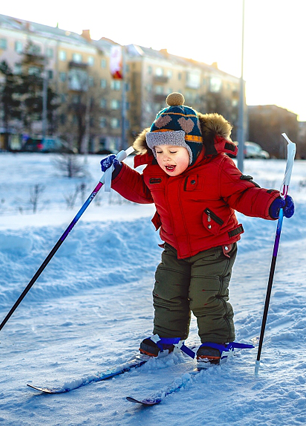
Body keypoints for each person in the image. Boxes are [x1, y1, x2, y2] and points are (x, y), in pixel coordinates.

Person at [101, 92, 294, 363]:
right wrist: (119, 174)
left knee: (205, 295)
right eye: (158, 151)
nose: (165, 158)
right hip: (174, 244)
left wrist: (271, 203)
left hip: (215, 246)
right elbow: (143, 190)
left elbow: (244, 193)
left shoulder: (217, 169)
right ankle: (167, 337)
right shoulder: (157, 171)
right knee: (167, 291)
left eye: (173, 151)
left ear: (191, 147)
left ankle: (217, 340)